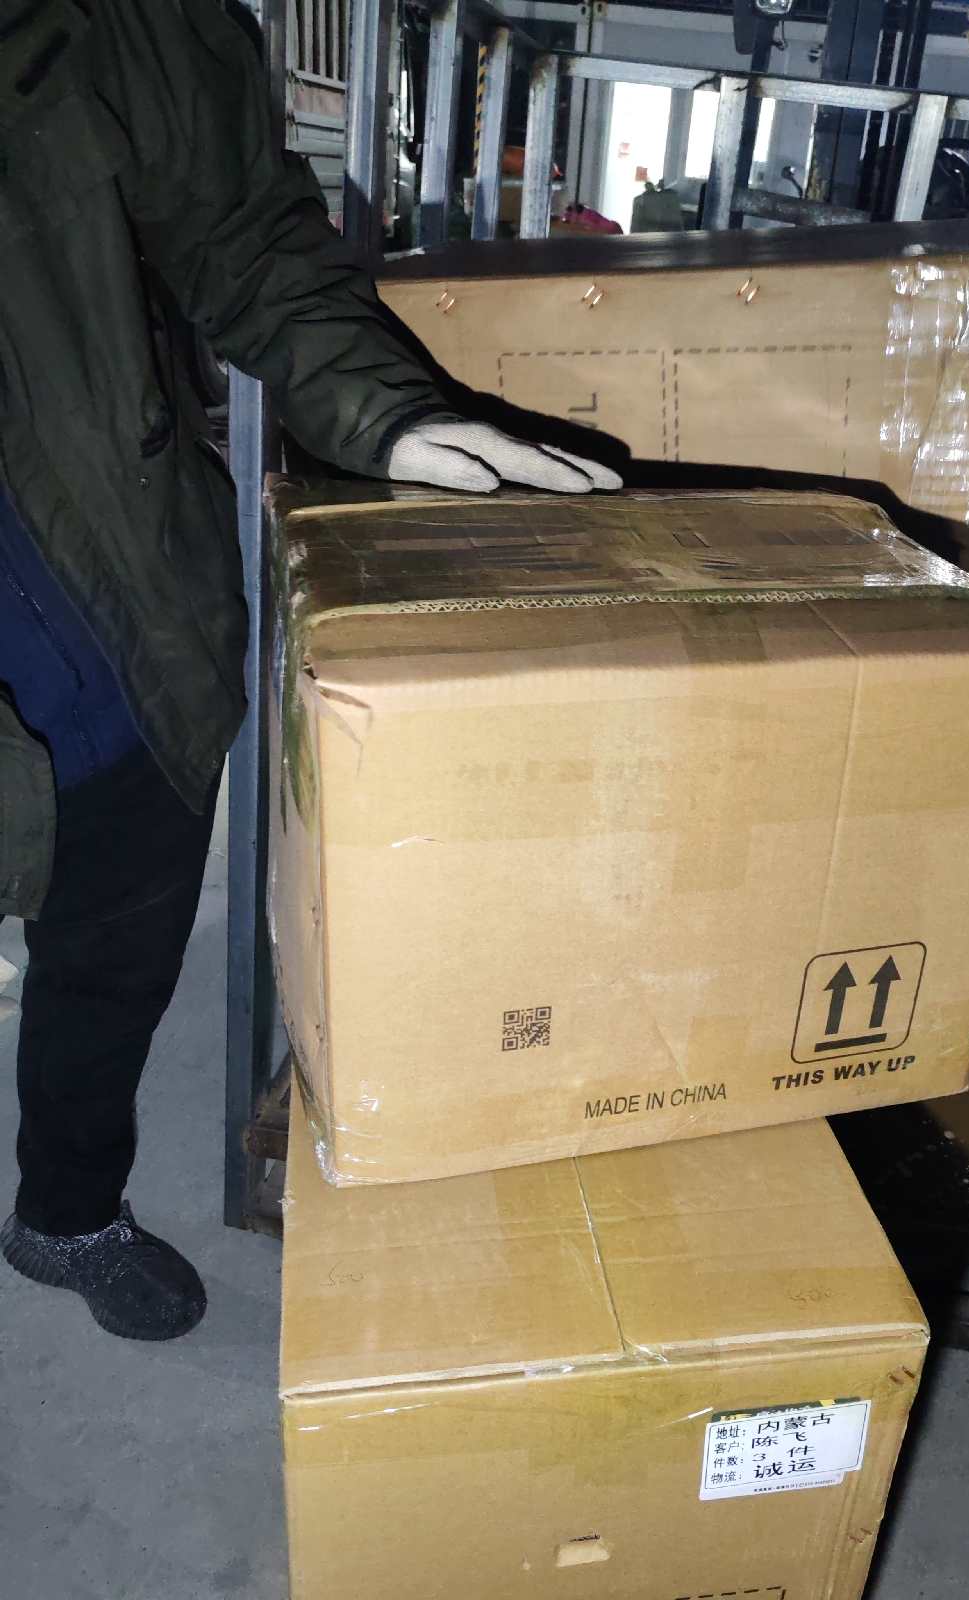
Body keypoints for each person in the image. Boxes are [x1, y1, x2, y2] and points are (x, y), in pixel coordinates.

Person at [0, 0, 619, 1342]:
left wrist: (381, 413)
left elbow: (239, 230)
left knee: (115, 936)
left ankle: (65, 1212)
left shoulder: (127, 22)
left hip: (110, 608)